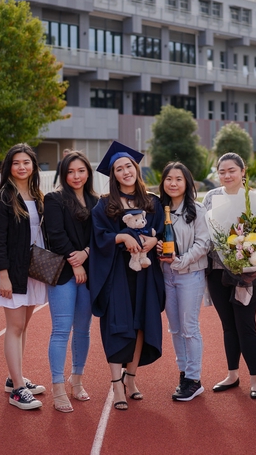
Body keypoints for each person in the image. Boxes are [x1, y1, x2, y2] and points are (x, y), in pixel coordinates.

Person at [89, 141, 165, 411]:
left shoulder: (153, 202)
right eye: (119, 168)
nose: (125, 172)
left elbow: (162, 233)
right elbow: (98, 236)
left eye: (128, 166)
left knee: (142, 323)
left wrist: (154, 242)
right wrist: (120, 236)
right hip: (116, 273)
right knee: (117, 325)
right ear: (113, 175)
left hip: (144, 274)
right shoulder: (104, 205)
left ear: (136, 168)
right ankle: (116, 384)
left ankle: (131, 379)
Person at [0, 143, 48, 410]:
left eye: (26, 162)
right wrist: (2, 275)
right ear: (9, 167)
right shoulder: (3, 196)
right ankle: (18, 390)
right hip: (12, 273)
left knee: (23, 327)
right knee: (14, 328)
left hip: (34, 271)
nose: (22, 167)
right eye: (16, 163)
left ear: (34, 166)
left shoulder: (38, 195)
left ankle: (15, 380)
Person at [203, 152, 256, 399]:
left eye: (232, 170)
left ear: (243, 171)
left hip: (246, 275)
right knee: (228, 325)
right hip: (217, 273)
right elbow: (205, 233)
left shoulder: (255, 199)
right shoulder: (210, 197)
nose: (227, 175)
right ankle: (232, 374)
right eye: (222, 171)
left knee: (246, 325)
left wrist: (249, 261)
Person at [44, 150, 98, 412]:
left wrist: (85, 254)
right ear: (63, 174)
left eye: (81, 171)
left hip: (89, 272)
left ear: (88, 172)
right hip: (63, 273)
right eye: (70, 171)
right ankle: (57, 387)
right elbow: (55, 235)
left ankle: (76, 379)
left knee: (84, 329)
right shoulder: (54, 199)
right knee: (61, 330)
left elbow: (99, 237)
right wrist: (75, 262)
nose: (76, 176)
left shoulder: (96, 201)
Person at [158, 162, 212, 402]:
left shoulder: (197, 211)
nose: (173, 183)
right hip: (166, 275)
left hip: (190, 274)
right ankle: (184, 374)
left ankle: (194, 379)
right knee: (175, 328)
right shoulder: (159, 210)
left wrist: (181, 261)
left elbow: (204, 244)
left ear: (187, 182)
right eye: (169, 179)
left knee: (189, 328)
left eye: (178, 179)